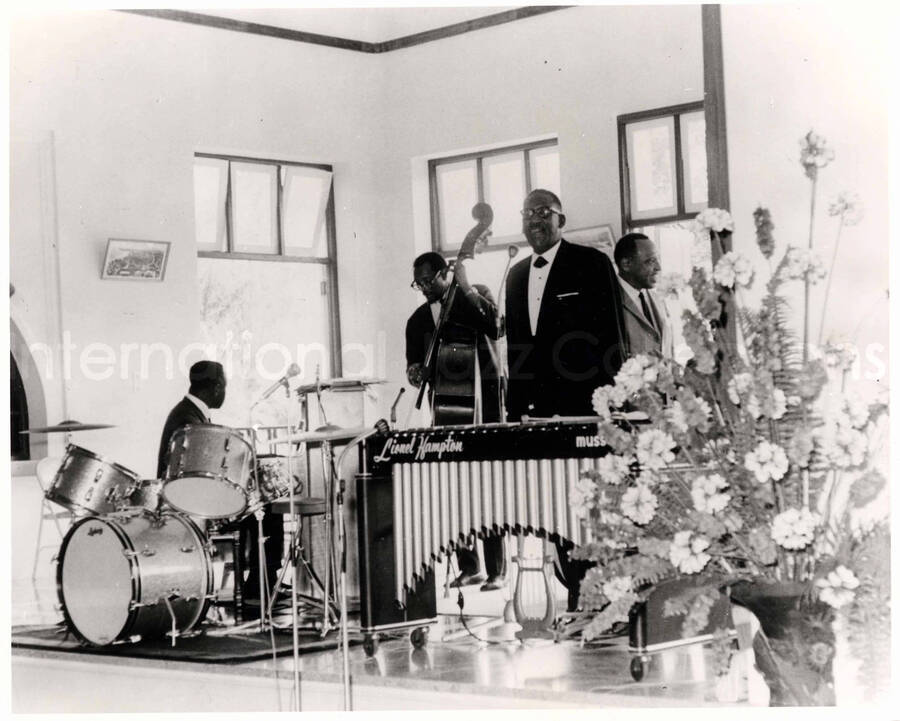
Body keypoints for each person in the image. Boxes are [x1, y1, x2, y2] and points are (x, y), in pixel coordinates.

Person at [505, 189, 625, 611]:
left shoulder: (592, 264)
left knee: (590, 507)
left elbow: (613, 336)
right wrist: (514, 406)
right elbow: (517, 346)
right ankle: (576, 595)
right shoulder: (516, 274)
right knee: (555, 510)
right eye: (527, 213)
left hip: (585, 406)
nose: (534, 220)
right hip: (535, 413)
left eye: (543, 212)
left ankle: (599, 597)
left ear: (562, 220)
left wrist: (611, 401)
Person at [405, 251, 507, 591]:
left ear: (444, 273)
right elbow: (413, 368)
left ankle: (497, 570)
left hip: (487, 403)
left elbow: (495, 325)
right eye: (417, 283)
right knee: (456, 489)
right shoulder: (417, 321)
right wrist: (415, 372)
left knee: (489, 487)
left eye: (427, 281)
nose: (422, 288)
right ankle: (469, 565)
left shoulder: (472, 294)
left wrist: (464, 285)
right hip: (446, 407)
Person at [156, 360, 283, 612]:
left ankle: (258, 584)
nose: (225, 392)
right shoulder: (189, 419)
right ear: (215, 388)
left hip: (188, 495)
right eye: (224, 386)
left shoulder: (186, 412)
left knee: (257, 504)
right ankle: (260, 586)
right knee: (267, 509)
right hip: (188, 503)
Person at [614, 232, 673, 360]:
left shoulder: (658, 298)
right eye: (651, 261)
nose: (658, 267)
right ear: (626, 264)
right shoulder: (609, 301)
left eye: (657, 259)